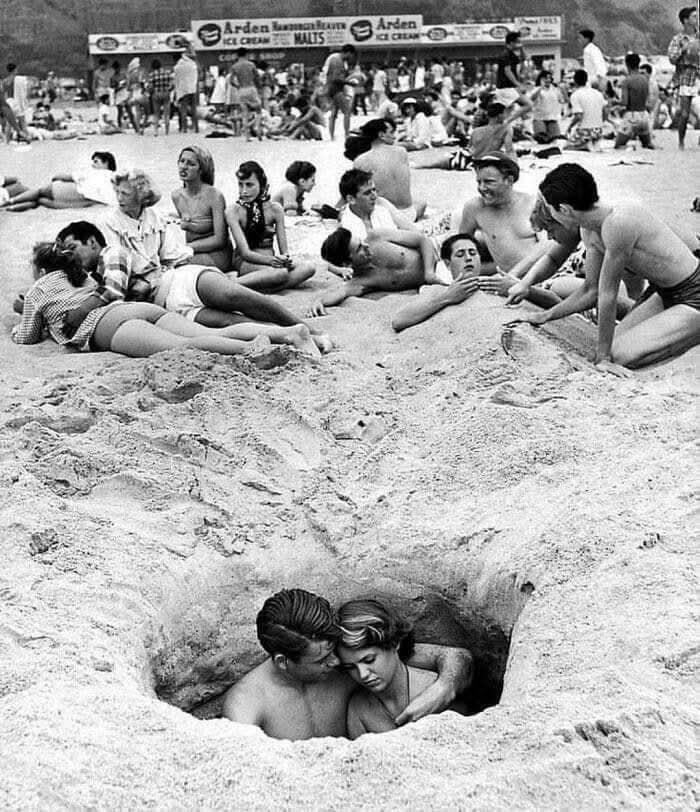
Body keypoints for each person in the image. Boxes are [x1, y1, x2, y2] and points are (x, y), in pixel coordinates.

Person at [99, 171, 330, 353]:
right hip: (162, 302)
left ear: (141, 195)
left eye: (125, 193)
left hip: (175, 279)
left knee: (241, 297)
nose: (119, 198)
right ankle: (291, 335)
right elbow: (117, 264)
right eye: (117, 192)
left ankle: (314, 331)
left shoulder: (155, 219)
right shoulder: (109, 221)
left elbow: (174, 255)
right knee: (227, 322)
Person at [507, 163, 700, 372]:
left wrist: (604, 358)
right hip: (663, 292)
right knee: (610, 347)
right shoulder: (589, 230)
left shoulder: (619, 222)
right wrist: (547, 316)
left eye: (551, 210)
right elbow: (590, 290)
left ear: (564, 210)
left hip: (695, 291)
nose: (551, 215)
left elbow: (608, 294)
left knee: (617, 356)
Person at [222, 588, 472, 740]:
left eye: (333, 651)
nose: (335, 662)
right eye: (321, 659)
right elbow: (244, 769)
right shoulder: (246, 703)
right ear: (283, 662)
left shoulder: (347, 660)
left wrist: (444, 687)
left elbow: (454, 656)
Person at [12, 241, 318, 358]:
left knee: (182, 348)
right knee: (210, 334)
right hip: (133, 308)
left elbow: (26, 337)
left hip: (106, 327)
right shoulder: (82, 277)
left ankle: (256, 350)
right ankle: (287, 332)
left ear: (40, 270)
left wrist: (18, 318)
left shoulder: (39, 289)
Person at [337, 598, 467, 738]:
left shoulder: (434, 691)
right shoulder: (358, 708)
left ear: (394, 644)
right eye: (350, 667)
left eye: (369, 660)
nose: (363, 674)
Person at [458, 152, 548, 292]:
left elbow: (547, 247)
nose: (482, 188)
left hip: (546, 276)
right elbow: (460, 245)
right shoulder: (475, 208)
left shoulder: (532, 204)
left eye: (489, 182)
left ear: (509, 180)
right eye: (479, 182)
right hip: (509, 280)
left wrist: (514, 274)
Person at [225, 161, 315, 292]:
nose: (244, 191)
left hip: (272, 263)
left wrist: (285, 259)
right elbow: (245, 253)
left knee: (309, 268)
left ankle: (264, 287)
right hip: (247, 262)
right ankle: (235, 283)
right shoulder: (234, 211)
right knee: (280, 274)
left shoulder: (275, 209)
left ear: (261, 185)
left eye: (249, 185)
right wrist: (271, 261)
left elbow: (284, 250)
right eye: (240, 185)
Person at [308, 226, 441, 315]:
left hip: (438, 251)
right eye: (359, 248)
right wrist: (319, 301)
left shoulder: (377, 236)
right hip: (439, 280)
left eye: (361, 241)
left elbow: (423, 240)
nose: (365, 246)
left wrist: (429, 272)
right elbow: (341, 292)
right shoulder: (361, 281)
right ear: (347, 263)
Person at [391, 234, 484, 332]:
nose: (468, 258)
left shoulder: (498, 282)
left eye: (473, 253)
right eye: (460, 255)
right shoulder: (439, 290)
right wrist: (447, 297)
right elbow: (398, 321)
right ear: (448, 264)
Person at [350, 118, 426, 221]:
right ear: (381, 135)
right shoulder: (401, 152)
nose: (395, 136)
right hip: (407, 214)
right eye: (391, 132)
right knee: (421, 203)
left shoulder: (360, 160)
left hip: (382, 215)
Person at [171, 146, 233, 271]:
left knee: (174, 268)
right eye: (182, 161)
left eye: (191, 164)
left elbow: (220, 239)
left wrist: (186, 247)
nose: (183, 167)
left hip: (217, 254)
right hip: (192, 252)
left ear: (201, 170)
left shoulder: (215, 196)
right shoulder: (176, 196)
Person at [412, 102, 516, 171]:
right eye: (504, 113)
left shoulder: (477, 130)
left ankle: (419, 165)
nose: (506, 116)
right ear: (499, 116)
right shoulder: (506, 128)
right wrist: (514, 165)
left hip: (466, 158)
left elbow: (469, 147)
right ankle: (420, 165)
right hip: (483, 162)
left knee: (437, 163)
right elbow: (509, 149)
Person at [0, 151, 117, 212]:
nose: (93, 164)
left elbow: (67, 177)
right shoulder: (113, 181)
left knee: (39, 191)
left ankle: (10, 202)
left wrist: (56, 177)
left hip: (66, 192)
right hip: (74, 203)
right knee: (39, 201)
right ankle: (11, 208)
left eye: (96, 161)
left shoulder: (95, 172)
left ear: (106, 162)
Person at [337, 169, 415, 242]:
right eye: (367, 193)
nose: (374, 196)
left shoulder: (382, 211)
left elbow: (396, 238)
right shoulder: (347, 225)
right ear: (351, 199)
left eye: (374, 190)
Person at [667, 6, 700, 150]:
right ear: (685, 21)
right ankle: (681, 142)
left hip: (698, 74)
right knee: (685, 113)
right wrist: (683, 49)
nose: (697, 19)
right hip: (685, 76)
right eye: (693, 17)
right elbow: (672, 59)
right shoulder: (678, 39)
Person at [614, 53, 653, 150]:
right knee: (647, 144)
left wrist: (615, 102)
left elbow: (625, 102)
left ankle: (632, 147)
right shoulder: (645, 80)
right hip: (644, 116)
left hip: (631, 116)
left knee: (618, 145)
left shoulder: (627, 81)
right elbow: (647, 99)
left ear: (627, 65)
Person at [565, 69, 607, 151]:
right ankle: (593, 143)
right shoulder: (597, 93)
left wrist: (569, 127)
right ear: (587, 80)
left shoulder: (575, 95)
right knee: (594, 141)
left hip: (584, 131)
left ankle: (585, 145)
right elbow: (605, 111)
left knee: (567, 147)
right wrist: (600, 123)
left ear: (575, 81)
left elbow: (578, 116)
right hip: (598, 130)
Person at [320, 44, 356, 139]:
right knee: (347, 111)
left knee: (334, 112)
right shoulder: (338, 61)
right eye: (351, 55)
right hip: (335, 88)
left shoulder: (335, 58)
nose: (351, 57)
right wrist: (349, 83)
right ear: (348, 53)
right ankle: (347, 134)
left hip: (332, 87)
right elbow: (336, 78)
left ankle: (332, 135)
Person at [230, 48, 262, 140]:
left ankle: (247, 136)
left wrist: (238, 86)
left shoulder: (235, 66)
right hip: (251, 88)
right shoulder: (251, 65)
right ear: (246, 54)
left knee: (244, 113)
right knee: (258, 110)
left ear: (237, 55)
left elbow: (231, 81)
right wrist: (259, 88)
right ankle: (258, 128)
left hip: (241, 90)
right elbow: (257, 78)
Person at [531, 70, 564, 143]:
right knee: (542, 138)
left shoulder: (555, 90)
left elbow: (562, 100)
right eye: (545, 78)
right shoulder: (536, 89)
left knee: (556, 139)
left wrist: (562, 89)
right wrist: (540, 87)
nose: (548, 80)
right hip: (539, 118)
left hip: (552, 118)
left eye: (549, 78)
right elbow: (531, 99)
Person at [173, 47, 199, 134]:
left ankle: (184, 128)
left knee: (183, 109)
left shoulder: (177, 67)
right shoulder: (192, 65)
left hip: (183, 90)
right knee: (194, 109)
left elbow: (176, 80)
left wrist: (177, 93)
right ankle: (196, 128)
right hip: (193, 89)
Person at [148, 58, 173, 136]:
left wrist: (150, 92)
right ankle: (167, 131)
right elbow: (171, 84)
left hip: (156, 94)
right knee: (167, 113)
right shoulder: (167, 73)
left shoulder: (152, 75)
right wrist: (168, 90)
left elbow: (150, 87)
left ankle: (156, 131)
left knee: (156, 113)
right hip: (165, 93)